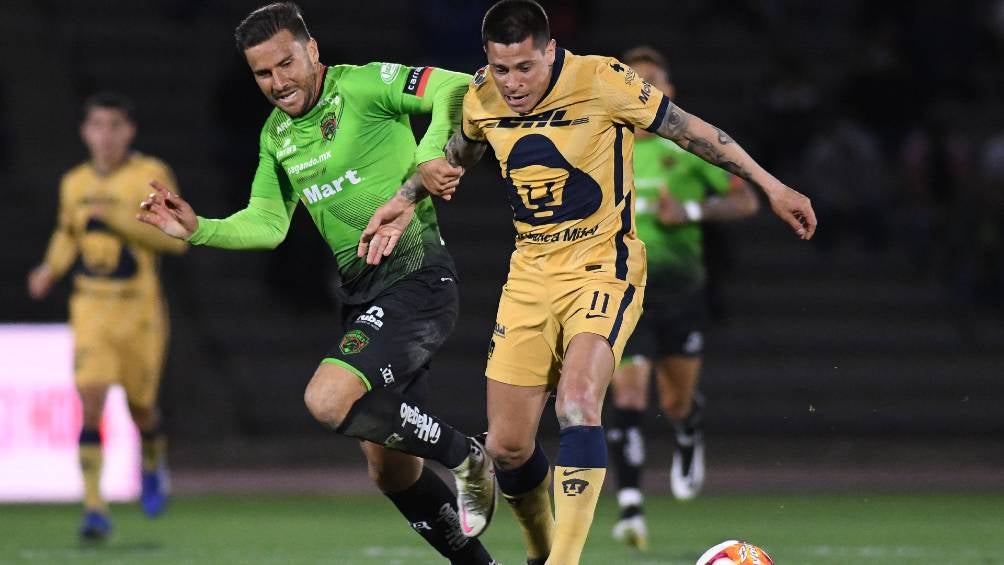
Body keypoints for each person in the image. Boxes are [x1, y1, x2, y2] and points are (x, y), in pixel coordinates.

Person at [360, 1, 816, 563]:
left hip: (604, 264)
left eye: (525, 67)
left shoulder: (601, 79)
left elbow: (693, 132)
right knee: (506, 447)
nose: (513, 82)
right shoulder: (481, 98)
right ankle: (540, 552)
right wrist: (405, 199)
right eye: (501, 69)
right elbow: (459, 154)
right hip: (528, 276)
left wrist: (772, 186)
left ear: (550, 51)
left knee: (578, 402)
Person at [137, 4, 498, 563]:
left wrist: (426, 166)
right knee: (391, 472)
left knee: (327, 400)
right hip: (361, 296)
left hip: (418, 278)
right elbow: (267, 222)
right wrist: (199, 229)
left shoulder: (363, 85)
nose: (277, 82)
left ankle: (467, 456)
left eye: (285, 64)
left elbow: (453, 86)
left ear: (312, 50)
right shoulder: (277, 136)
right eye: (262, 73)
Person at [603, 47, 760, 551]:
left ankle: (688, 428)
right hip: (623, 289)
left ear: (670, 93)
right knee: (627, 394)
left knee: (674, 399)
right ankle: (630, 506)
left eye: (654, 82)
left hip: (680, 289)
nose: (644, 90)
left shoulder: (689, 145)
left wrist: (689, 209)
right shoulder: (604, 145)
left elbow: (746, 200)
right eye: (635, 81)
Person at [27, 92, 185, 540]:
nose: (105, 136)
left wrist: (119, 222)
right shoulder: (74, 182)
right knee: (91, 400)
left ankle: (152, 461)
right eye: (97, 125)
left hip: (139, 311)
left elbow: (177, 242)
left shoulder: (150, 176)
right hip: (91, 306)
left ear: (129, 131)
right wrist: (48, 270)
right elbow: (66, 234)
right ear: (85, 132)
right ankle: (95, 507)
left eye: (115, 126)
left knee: (142, 410)